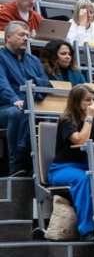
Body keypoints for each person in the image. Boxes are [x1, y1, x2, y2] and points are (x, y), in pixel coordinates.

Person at [48, 85, 94, 240]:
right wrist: (90, 118)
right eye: (87, 100)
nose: (91, 104)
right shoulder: (66, 120)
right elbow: (79, 139)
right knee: (84, 179)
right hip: (62, 169)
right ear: (76, 102)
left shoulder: (92, 121)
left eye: (93, 100)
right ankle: (87, 230)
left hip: (85, 166)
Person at [0, 21, 50, 175]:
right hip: (5, 107)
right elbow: (2, 84)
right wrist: (14, 99)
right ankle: (16, 163)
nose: (26, 38)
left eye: (27, 35)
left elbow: (46, 84)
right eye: (21, 35)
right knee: (18, 113)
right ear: (8, 37)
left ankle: (42, 166)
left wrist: (35, 85)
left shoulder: (33, 60)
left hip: (31, 106)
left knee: (51, 117)